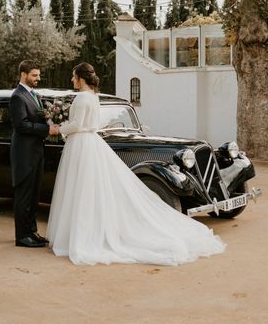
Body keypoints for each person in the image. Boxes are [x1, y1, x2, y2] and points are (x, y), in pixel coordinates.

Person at [46, 62, 225, 265]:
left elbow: (78, 125)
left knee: (79, 189)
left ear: (80, 77)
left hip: (80, 144)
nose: (72, 80)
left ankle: (81, 235)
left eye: (73, 76)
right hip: (93, 142)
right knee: (91, 188)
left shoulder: (81, 98)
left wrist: (58, 128)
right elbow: (93, 125)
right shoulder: (94, 98)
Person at [9, 60, 59, 248]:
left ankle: (32, 232)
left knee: (34, 195)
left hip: (36, 153)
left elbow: (37, 118)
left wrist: (50, 119)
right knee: (24, 195)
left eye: (38, 75)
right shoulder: (17, 97)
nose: (38, 78)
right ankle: (22, 236)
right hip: (24, 154)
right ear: (24, 75)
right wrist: (48, 130)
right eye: (34, 75)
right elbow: (21, 125)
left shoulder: (34, 95)